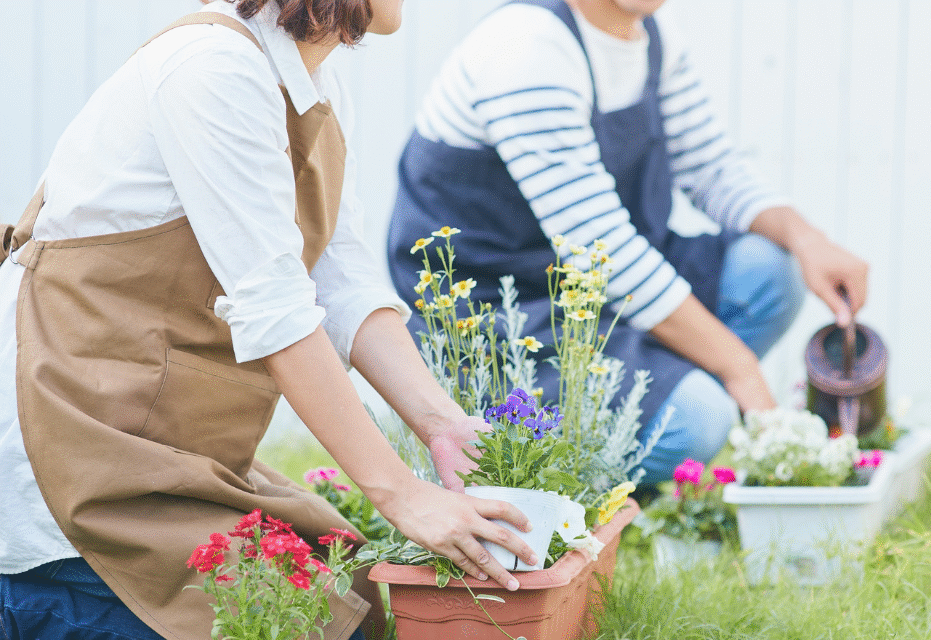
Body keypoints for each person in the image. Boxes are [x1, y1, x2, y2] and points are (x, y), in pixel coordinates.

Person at [0, 1, 540, 639]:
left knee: (352, 599)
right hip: (69, 451)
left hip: (161, 441)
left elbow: (338, 279)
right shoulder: (211, 69)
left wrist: (441, 424)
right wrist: (402, 495)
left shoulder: (307, 80)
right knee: (303, 624)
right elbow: (277, 309)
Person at [386, 0, 869, 487]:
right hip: (502, 317)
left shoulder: (651, 34)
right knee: (698, 419)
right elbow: (603, 248)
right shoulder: (528, 46)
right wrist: (738, 369)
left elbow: (711, 169)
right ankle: (562, 484)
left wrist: (808, 240)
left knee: (769, 270)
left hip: (595, 291)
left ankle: (650, 407)